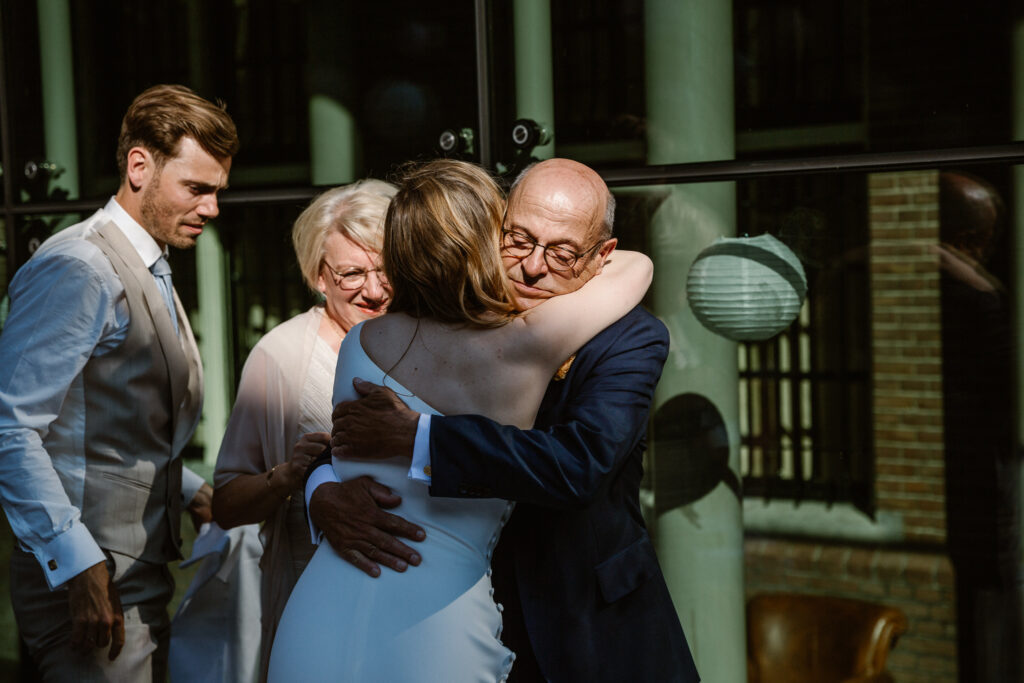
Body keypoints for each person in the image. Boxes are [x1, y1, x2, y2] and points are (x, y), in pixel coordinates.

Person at [308, 157, 699, 682]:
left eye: (562, 253)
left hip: (590, 626)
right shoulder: (450, 322)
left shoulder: (630, 338)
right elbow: (348, 436)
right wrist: (322, 491)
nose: (533, 267)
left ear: (603, 256)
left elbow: (582, 463)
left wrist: (421, 439)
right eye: (518, 240)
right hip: (457, 616)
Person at [0, 84, 237, 681]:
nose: (212, 208)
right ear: (139, 166)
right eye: (197, 188)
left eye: (217, 191)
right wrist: (78, 566)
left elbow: (94, 420)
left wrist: (183, 487)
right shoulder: (78, 267)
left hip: (135, 576)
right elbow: (10, 427)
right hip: (89, 587)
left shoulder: (145, 261)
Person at [211, 179, 396, 680]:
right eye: (353, 273)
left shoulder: (426, 340)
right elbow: (225, 503)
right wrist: (288, 478)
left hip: (411, 607)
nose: (375, 291)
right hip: (314, 607)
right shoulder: (282, 355)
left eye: (387, 269)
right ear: (318, 275)